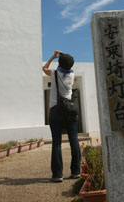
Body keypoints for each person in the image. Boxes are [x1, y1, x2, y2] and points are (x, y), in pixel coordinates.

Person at [43, 50, 81, 182]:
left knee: (57, 142)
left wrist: (53, 56)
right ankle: (76, 171)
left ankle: (58, 174)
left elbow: (44, 68)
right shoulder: (72, 74)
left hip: (56, 110)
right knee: (74, 140)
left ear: (59, 63)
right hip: (70, 110)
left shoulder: (54, 73)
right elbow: (65, 66)